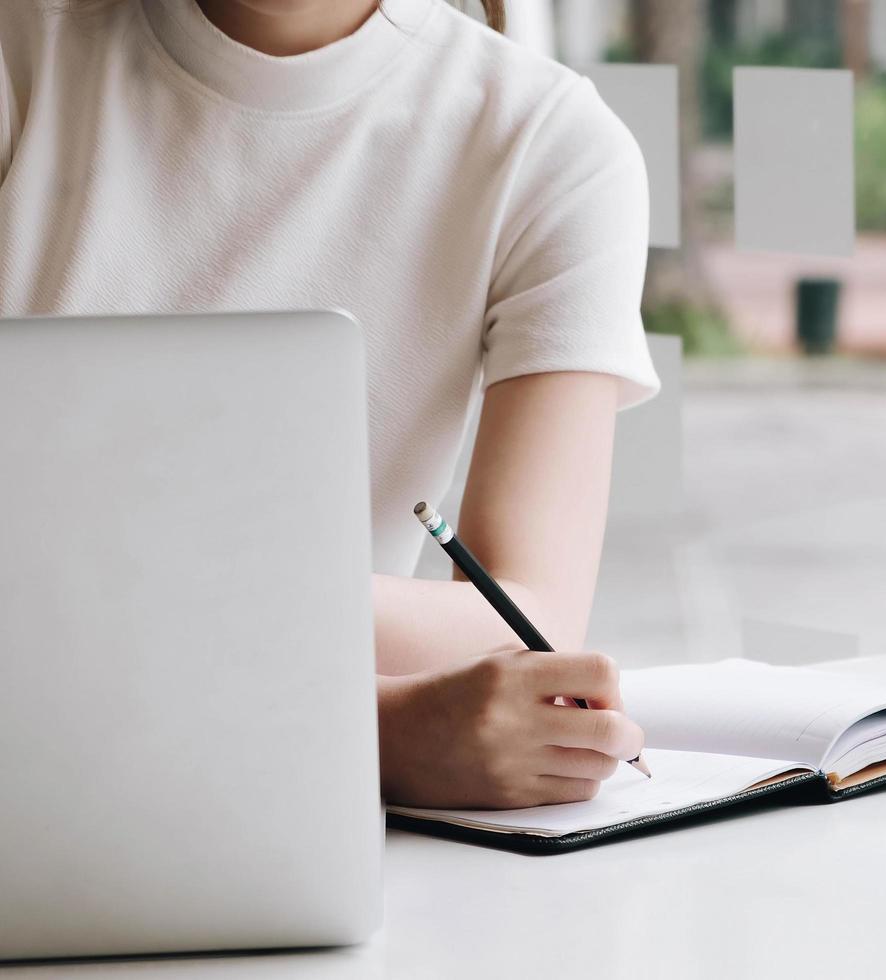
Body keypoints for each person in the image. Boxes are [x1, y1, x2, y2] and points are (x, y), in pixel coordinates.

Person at [0, 0, 656, 808]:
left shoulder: (549, 146)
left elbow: (528, 617)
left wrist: (82, 593)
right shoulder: (21, 54)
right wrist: (375, 729)